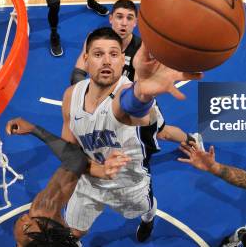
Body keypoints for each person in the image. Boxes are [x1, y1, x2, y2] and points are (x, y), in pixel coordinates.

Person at [62, 27, 202, 242]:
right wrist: (92, 168)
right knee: (73, 233)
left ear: (122, 61)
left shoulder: (126, 94)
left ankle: (149, 218)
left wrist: (143, 93)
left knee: (145, 208)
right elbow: (68, 149)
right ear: (86, 59)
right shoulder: (72, 95)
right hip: (89, 182)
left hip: (129, 182)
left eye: (114, 54)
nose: (107, 61)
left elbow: (131, 104)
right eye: (99, 54)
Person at [71, 0, 204, 150]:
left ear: (135, 22)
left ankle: (192, 140)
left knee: (162, 133)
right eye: (119, 17)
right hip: (107, 96)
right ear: (111, 19)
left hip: (136, 97)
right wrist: (81, 94)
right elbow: (79, 71)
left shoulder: (143, 49)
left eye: (129, 18)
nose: (124, 23)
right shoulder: (95, 39)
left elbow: (138, 90)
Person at [7, 117, 131, 247]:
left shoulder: (43, 213)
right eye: (27, 227)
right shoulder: (44, 210)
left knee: (76, 231)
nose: (25, 217)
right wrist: (34, 129)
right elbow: (75, 159)